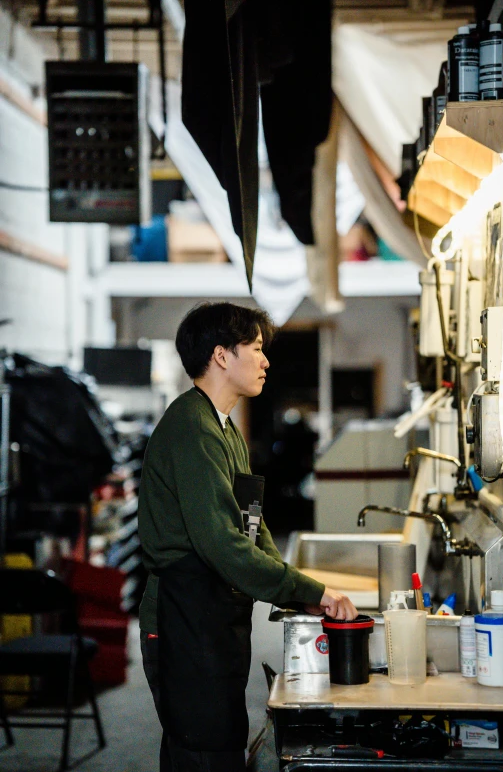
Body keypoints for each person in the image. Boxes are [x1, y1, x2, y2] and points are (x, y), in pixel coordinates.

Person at [138, 302, 358, 772]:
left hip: (212, 616)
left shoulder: (223, 427)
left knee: (212, 743)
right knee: (204, 748)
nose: (266, 361)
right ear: (221, 356)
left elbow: (251, 526)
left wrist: (300, 592)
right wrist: (309, 590)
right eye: (256, 349)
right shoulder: (192, 429)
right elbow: (222, 543)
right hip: (185, 618)